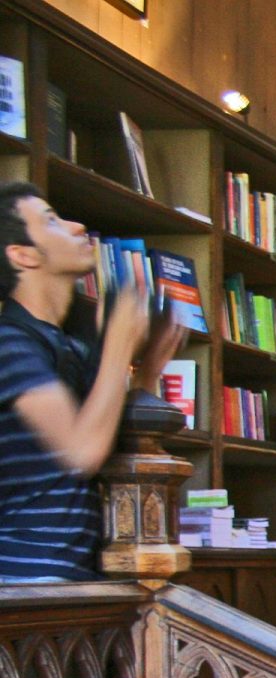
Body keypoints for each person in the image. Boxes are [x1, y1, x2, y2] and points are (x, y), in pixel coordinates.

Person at [0, 181, 181, 582]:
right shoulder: (9, 343)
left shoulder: (66, 346)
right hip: (23, 579)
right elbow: (82, 454)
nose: (79, 226)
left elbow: (108, 443)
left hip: (71, 575)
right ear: (23, 254)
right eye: (52, 221)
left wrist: (147, 370)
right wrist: (118, 346)